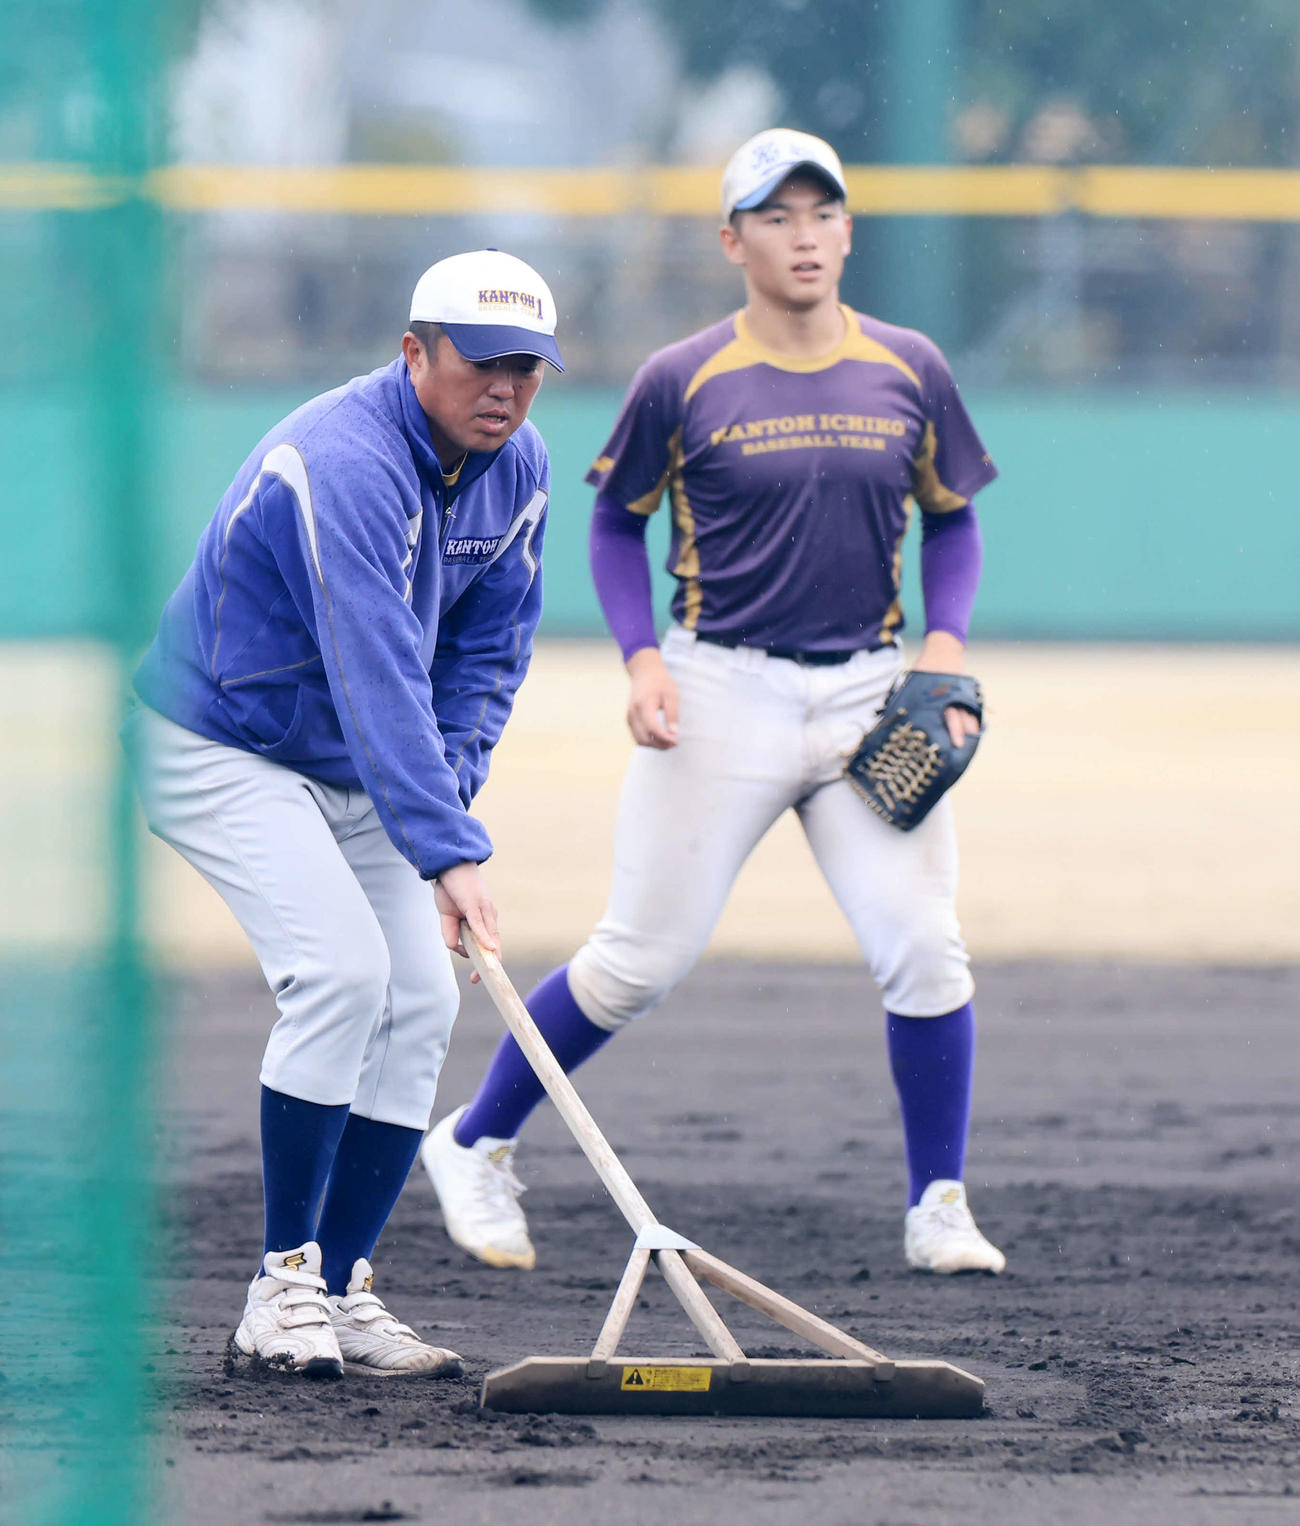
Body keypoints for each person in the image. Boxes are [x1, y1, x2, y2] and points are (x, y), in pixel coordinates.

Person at [422, 131, 1006, 1278]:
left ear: (847, 230)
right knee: (637, 957)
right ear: (731, 238)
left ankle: (938, 1200)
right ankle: (474, 1138)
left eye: (821, 213)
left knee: (926, 949)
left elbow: (952, 517)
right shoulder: (681, 375)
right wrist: (641, 659)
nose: (803, 235)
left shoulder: (908, 366)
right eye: (775, 216)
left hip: (865, 694)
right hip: (719, 685)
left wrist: (943, 651)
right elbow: (610, 520)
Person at [125, 249, 564, 1377]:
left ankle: (338, 1284)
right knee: (339, 973)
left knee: (417, 995)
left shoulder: (520, 471)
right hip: (217, 743)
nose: (505, 388)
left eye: (527, 367)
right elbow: (375, 668)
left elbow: (482, 656)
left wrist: (450, 795)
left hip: (355, 765)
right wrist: (449, 850)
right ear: (414, 352)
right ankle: (279, 1289)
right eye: (480, 362)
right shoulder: (342, 459)